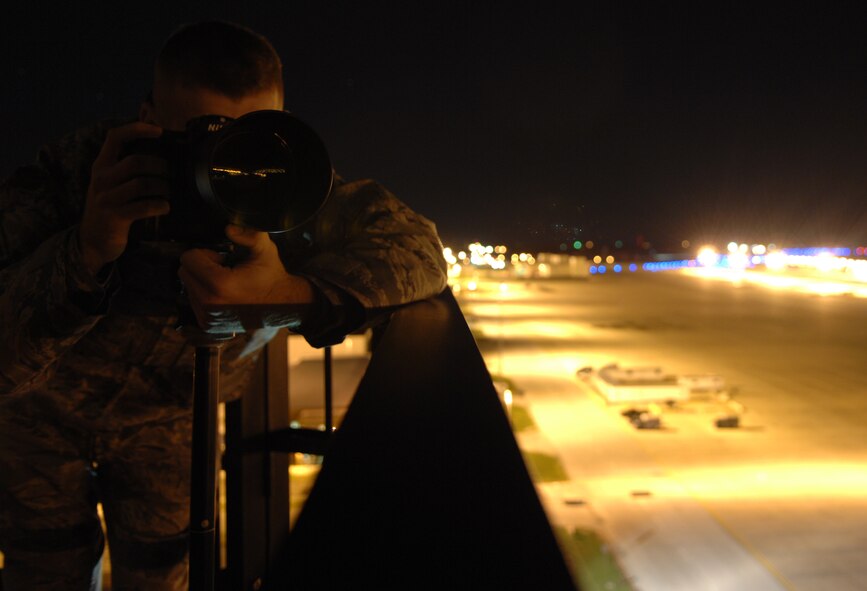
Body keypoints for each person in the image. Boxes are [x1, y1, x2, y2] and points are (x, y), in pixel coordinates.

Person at [0, 20, 447, 590]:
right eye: (195, 140)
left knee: (162, 576)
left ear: (277, 129)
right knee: (44, 572)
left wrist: (283, 298)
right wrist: (87, 245)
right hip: (40, 419)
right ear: (146, 121)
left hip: (170, 420)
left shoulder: (283, 181)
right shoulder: (82, 172)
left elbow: (418, 247)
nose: (219, 167)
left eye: (243, 141)